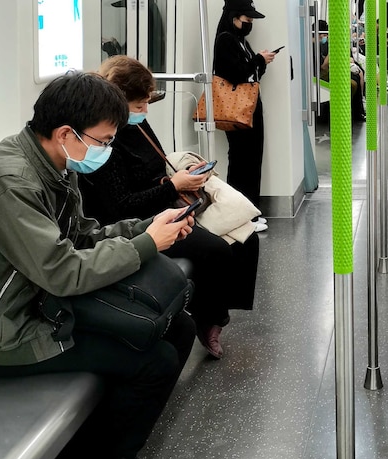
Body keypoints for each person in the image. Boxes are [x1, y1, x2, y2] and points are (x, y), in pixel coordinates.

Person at [0, 72, 196, 459]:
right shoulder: (9, 182)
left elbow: (81, 236)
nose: (106, 150)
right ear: (65, 133)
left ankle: (98, 456)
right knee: (153, 360)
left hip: (38, 300)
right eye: (103, 140)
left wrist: (144, 228)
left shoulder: (55, 164)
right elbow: (62, 271)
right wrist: (148, 244)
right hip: (2, 329)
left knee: (181, 327)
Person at [79, 56, 260, 360]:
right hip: (142, 218)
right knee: (216, 250)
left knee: (248, 238)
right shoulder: (104, 140)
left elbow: (158, 161)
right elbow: (122, 207)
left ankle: (217, 315)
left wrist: (183, 178)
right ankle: (208, 319)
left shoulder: (137, 124)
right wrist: (174, 187)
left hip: (166, 198)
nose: (145, 111)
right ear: (119, 102)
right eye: (139, 106)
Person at [213, 0, 275, 230]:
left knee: (251, 159)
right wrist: (258, 60)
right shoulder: (225, 40)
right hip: (238, 110)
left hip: (249, 106)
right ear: (233, 17)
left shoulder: (240, 41)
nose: (249, 24)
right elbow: (235, 73)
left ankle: (250, 211)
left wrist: (260, 61)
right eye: (246, 20)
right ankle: (240, 215)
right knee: (242, 160)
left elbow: (251, 72)